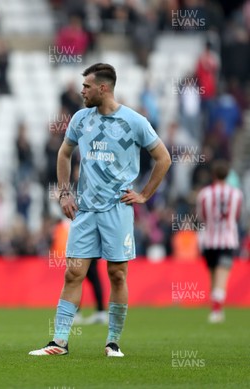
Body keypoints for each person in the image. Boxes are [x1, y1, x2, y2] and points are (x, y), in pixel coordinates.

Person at [29, 63, 171, 357]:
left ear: (103, 88)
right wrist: (65, 192)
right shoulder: (81, 119)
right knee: (73, 273)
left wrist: (144, 194)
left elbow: (163, 158)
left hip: (117, 209)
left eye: (86, 87)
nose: (81, 92)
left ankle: (113, 342)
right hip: (85, 210)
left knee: (117, 274)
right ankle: (59, 342)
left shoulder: (134, 121)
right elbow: (64, 153)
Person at [197, 160, 243, 323]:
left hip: (209, 241)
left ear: (213, 175)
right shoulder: (236, 193)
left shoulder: (204, 194)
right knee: (222, 276)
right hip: (227, 240)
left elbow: (201, 216)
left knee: (213, 276)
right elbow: (236, 216)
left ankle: (215, 309)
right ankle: (217, 310)